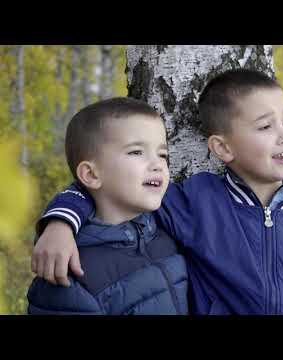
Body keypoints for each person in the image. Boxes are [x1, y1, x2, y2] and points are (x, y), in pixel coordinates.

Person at [31, 69, 283, 315]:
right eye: (265, 126)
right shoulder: (192, 203)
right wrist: (61, 222)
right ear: (222, 148)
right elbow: (108, 185)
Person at [27, 97, 189, 315]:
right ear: (92, 174)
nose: (158, 164)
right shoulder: (70, 272)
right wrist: (58, 225)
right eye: (136, 152)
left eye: (163, 154)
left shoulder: (165, 231)